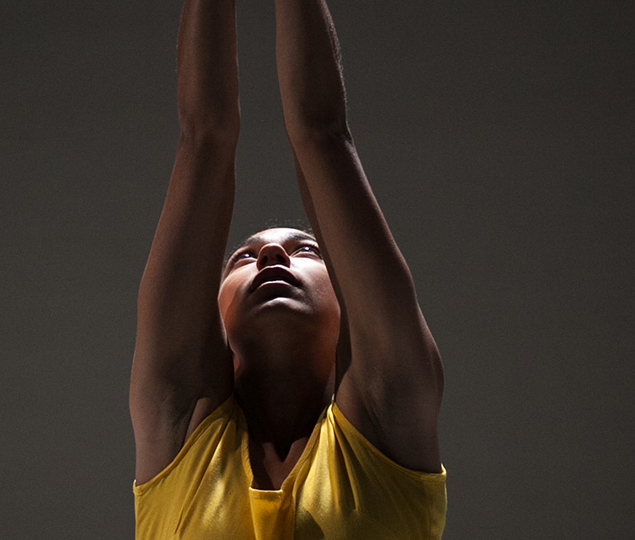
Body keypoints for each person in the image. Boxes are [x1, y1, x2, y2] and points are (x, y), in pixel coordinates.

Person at [130, 0, 446, 537]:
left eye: (306, 250)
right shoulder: (176, 428)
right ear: (215, 316)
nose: (271, 255)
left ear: (349, 304)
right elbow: (204, 135)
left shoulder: (393, 410)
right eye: (244, 257)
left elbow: (322, 133)